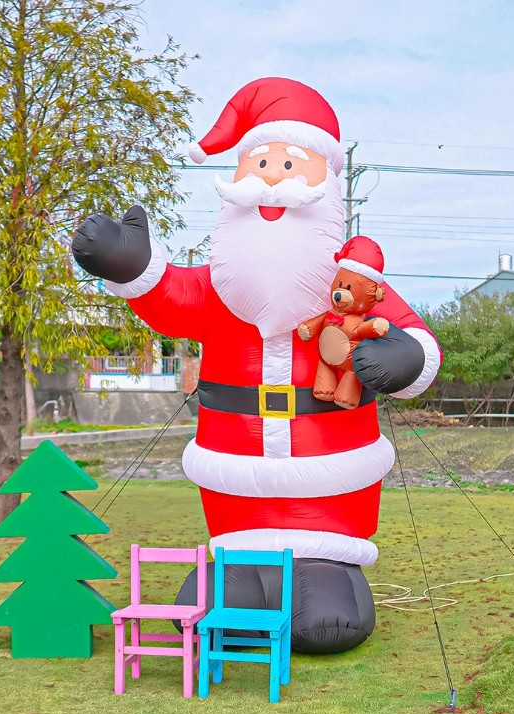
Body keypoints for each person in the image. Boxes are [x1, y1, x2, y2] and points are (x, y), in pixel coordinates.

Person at [72, 77, 441, 653]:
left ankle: (327, 570)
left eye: (291, 162)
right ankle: (237, 575)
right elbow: (172, 297)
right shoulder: (221, 283)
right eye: (260, 161)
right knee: (229, 585)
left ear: (328, 184)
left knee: (325, 609)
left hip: (332, 468)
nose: (272, 175)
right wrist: (132, 266)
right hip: (233, 470)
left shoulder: (351, 289)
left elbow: (414, 336)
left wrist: (402, 356)